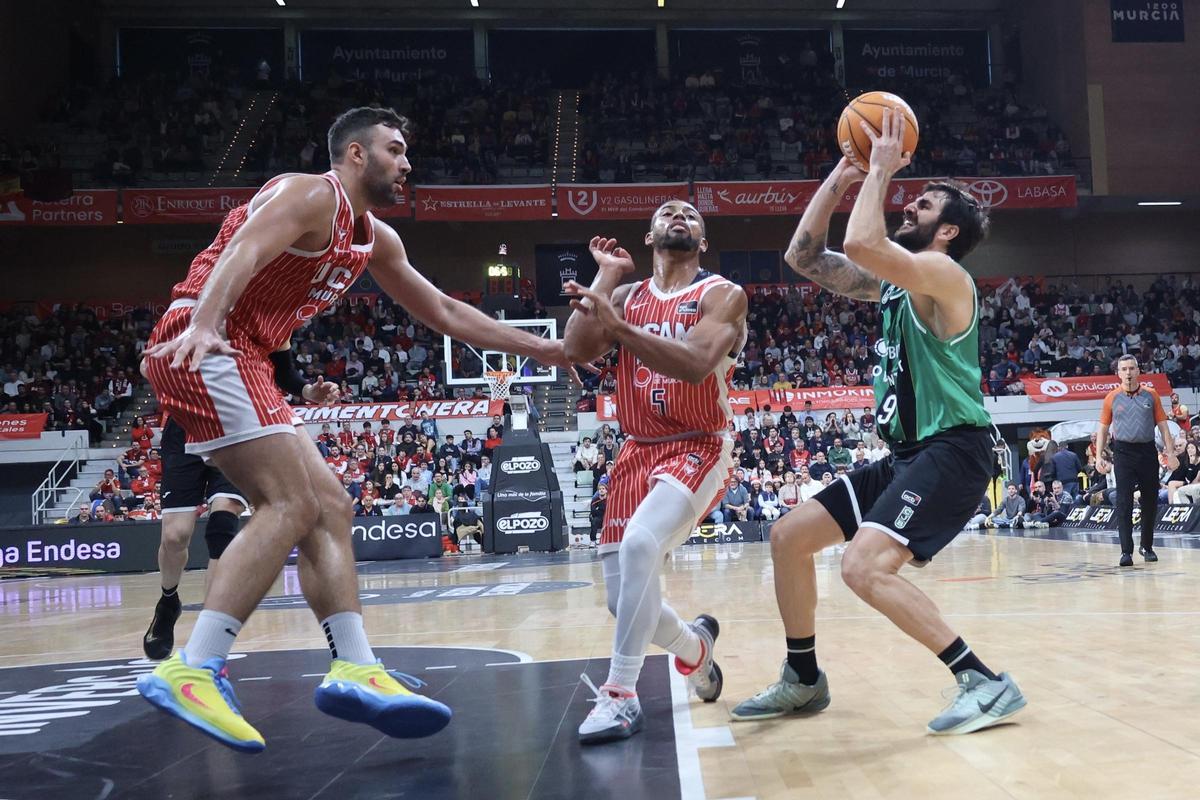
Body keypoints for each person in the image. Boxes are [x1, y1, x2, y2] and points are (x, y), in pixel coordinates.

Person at [136, 106, 577, 752]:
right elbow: (242, 250)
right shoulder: (308, 193)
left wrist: (546, 351)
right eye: (396, 150)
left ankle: (354, 667)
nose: (407, 163)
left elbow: (448, 311)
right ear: (356, 156)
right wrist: (206, 320)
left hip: (245, 353)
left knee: (331, 507)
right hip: (204, 340)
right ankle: (194, 668)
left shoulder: (376, 238)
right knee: (288, 503)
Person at [731, 116, 1025, 737]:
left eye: (922, 204)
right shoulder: (895, 287)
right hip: (908, 454)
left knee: (863, 567)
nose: (906, 205)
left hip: (954, 450)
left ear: (947, 231)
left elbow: (863, 246)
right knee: (788, 538)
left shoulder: (945, 276)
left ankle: (985, 682)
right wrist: (844, 173)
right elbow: (803, 256)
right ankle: (804, 678)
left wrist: (886, 165)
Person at [562, 199, 748, 744]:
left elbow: (693, 364)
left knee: (642, 545)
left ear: (704, 242)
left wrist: (619, 326)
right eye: (668, 213)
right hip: (636, 448)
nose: (679, 218)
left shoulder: (722, 294)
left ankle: (620, 694)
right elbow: (574, 348)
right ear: (649, 237)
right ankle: (696, 650)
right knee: (623, 600)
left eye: (691, 216)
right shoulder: (625, 296)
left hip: (699, 443)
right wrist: (607, 277)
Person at [1095, 355, 1179, 566]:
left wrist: (1171, 454)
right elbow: (1103, 430)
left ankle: (1147, 546)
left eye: (1132, 368)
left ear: (1138, 371)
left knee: (1149, 501)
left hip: (1147, 451)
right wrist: (1098, 456)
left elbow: (1163, 427)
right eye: (1124, 368)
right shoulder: (1111, 398)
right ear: (1118, 373)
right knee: (1123, 501)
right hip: (1123, 453)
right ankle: (1126, 551)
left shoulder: (1151, 395)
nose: (1128, 372)